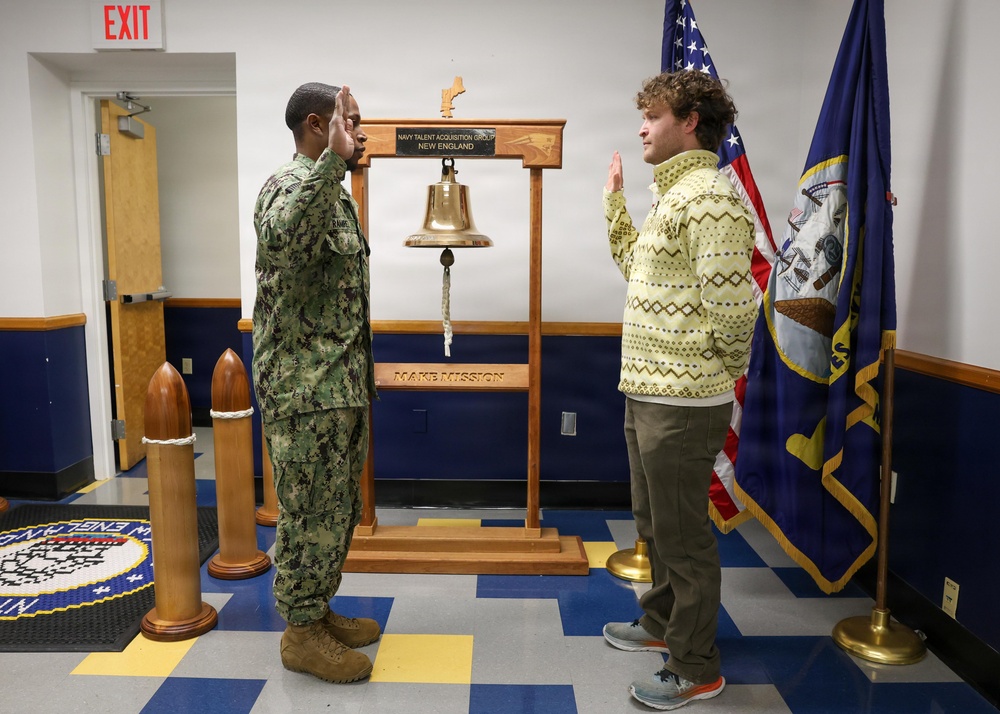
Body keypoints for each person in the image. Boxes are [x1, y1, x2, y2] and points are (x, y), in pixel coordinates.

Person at [601, 70, 756, 711]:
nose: (642, 127)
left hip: (684, 402)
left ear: (690, 120)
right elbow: (638, 267)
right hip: (647, 392)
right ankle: (662, 622)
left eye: (654, 116)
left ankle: (696, 666)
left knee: (685, 536)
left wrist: (710, 374)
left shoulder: (712, 200)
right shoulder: (675, 195)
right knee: (655, 524)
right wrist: (615, 204)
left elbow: (735, 310)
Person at [252, 82, 379, 684]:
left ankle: (318, 610)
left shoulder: (335, 194)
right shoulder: (289, 186)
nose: (360, 132)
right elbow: (284, 242)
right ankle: (299, 634)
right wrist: (332, 161)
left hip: (340, 384)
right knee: (307, 513)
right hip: (303, 391)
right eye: (350, 122)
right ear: (315, 125)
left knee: (338, 508)